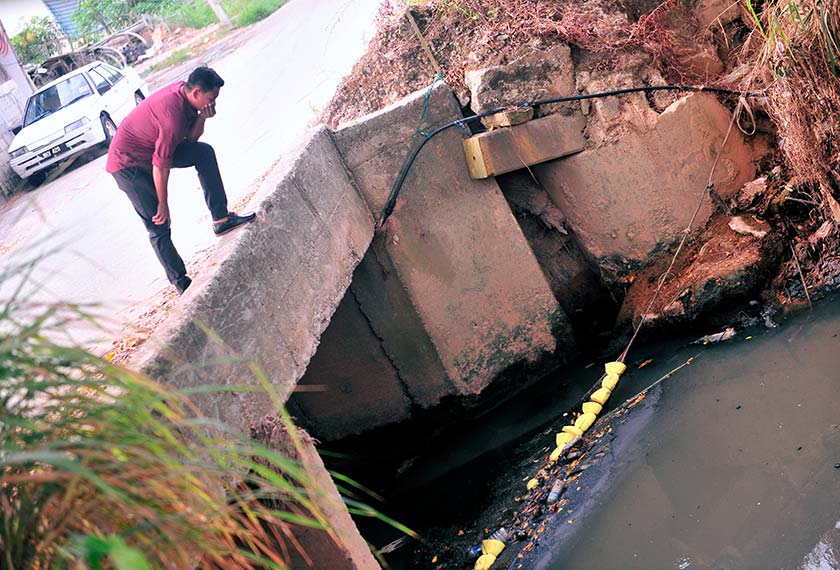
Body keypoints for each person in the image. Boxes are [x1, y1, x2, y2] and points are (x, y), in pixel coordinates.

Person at [106, 66, 255, 295]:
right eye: (211, 98)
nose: (213, 103)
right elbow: (160, 165)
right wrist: (163, 203)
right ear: (196, 93)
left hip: (151, 152)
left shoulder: (187, 100)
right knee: (158, 223)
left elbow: (191, 139)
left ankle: (221, 219)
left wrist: (203, 118)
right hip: (129, 164)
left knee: (204, 153)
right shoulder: (172, 116)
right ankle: (181, 283)